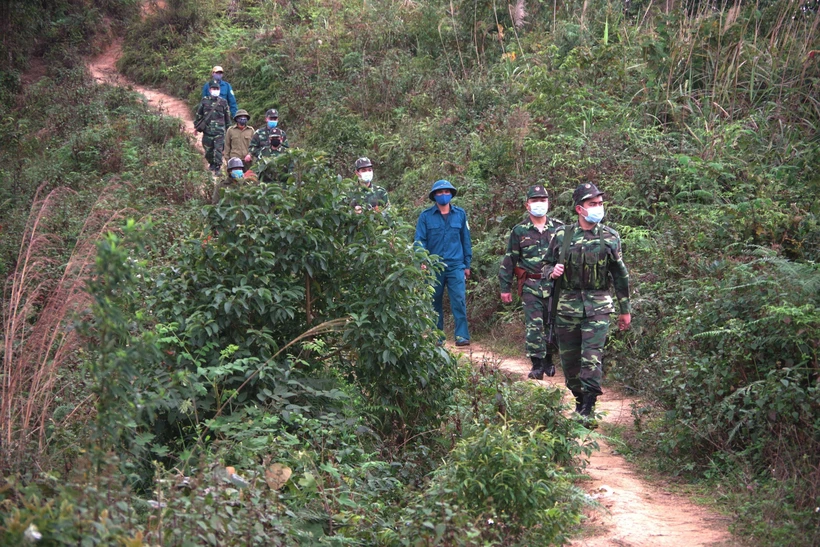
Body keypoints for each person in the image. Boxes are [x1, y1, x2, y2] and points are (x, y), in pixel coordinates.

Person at [545, 182, 631, 423]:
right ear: (579, 209)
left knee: (591, 358)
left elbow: (620, 275)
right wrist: (552, 270)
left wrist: (625, 310)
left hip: (599, 307)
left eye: (600, 204)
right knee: (570, 362)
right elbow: (544, 266)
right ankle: (579, 399)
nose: (598, 208)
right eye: (592, 204)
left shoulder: (610, 237)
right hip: (567, 308)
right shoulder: (563, 235)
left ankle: (589, 406)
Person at [498, 185, 563, 380]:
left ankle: (549, 360)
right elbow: (510, 260)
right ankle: (537, 364)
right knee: (534, 326)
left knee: (554, 324)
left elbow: (567, 257)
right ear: (528, 205)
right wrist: (505, 288)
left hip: (554, 286)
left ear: (548, 203)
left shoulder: (559, 228)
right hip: (531, 286)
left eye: (543, 200)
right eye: (535, 200)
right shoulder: (519, 231)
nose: (539, 204)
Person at [414, 179, 472, 347]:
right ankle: (437, 336)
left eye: (447, 192)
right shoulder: (425, 216)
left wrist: (467, 264)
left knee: (459, 300)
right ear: (434, 196)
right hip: (434, 266)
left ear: (451, 194)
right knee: (434, 301)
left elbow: (465, 240)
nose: (443, 195)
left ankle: (462, 336)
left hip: (456, 265)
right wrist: (422, 260)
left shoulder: (460, 214)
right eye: (440, 192)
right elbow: (419, 241)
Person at [194, 79, 231, 174]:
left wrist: (229, 130)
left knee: (218, 150)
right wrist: (196, 127)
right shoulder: (204, 101)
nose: (215, 90)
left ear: (219, 89)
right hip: (208, 131)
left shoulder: (223, 102)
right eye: (213, 88)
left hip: (220, 132)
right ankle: (212, 164)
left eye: (217, 88)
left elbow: (227, 117)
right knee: (208, 150)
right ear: (210, 90)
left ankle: (218, 167)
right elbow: (199, 114)